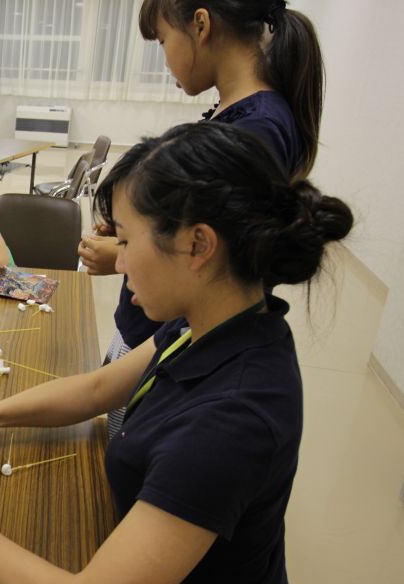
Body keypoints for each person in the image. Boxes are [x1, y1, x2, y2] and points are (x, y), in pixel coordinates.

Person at [0, 122, 353, 584]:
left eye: (126, 240)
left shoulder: (232, 420)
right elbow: (98, 388)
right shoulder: (214, 317)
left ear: (198, 246)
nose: (119, 260)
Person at [78, 0, 326, 437]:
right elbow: (194, 218)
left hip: (174, 336)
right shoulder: (238, 112)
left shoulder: (258, 128)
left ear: (201, 24)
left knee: (125, 449)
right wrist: (131, 230)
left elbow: (221, 252)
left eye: (163, 41)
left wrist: (122, 249)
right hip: (160, 332)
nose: (165, 58)